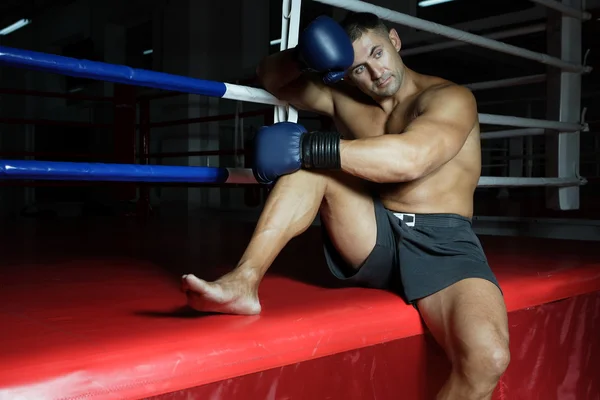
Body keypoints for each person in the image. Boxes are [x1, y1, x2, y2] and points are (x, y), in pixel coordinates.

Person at [182, 12, 510, 400]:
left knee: (487, 357)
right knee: (309, 169)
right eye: (358, 69)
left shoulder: (450, 98)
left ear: (395, 40)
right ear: (344, 73)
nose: (375, 73)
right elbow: (269, 77)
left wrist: (310, 147)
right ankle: (243, 282)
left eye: (378, 53)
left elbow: (412, 158)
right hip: (375, 232)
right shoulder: (344, 100)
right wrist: (301, 58)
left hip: (444, 244)